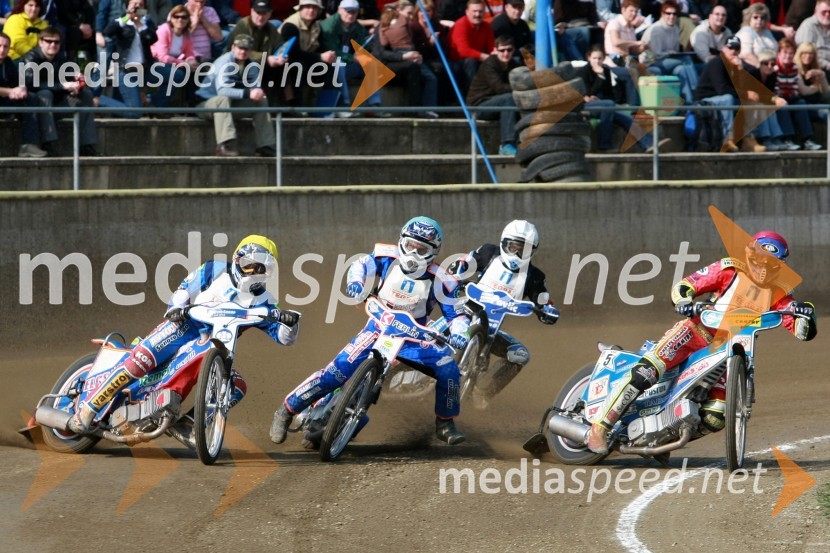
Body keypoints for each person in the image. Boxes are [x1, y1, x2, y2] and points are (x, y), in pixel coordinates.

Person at [586, 230, 818, 455]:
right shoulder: (728, 269)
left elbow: (800, 332)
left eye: (772, 263)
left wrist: (807, 314)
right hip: (696, 333)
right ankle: (600, 426)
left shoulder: (780, 292)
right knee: (647, 371)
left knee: (716, 416)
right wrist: (684, 301)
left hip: (736, 350)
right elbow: (686, 285)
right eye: (762, 259)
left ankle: (666, 435)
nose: (765, 267)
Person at [68, 235, 301, 439]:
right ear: (238, 258)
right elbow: (184, 289)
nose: (253, 273)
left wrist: (291, 323)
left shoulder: (267, 301)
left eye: (261, 269)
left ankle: (190, 425)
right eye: (250, 265)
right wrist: (176, 307)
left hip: (215, 347)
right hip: (183, 327)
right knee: (141, 360)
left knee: (237, 386)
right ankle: (89, 408)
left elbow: (284, 338)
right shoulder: (215, 268)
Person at [270, 216, 471, 446]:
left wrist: (460, 333)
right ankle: (286, 410)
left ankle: (445, 422)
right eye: (410, 246)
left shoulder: (443, 280)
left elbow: (456, 314)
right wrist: (356, 282)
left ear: (433, 252)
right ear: (401, 242)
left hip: (413, 340)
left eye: (421, 249)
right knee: (335, 372)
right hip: (377, 328)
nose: (413, 254)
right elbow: (361, 264)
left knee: (450, 370)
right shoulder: (386, 257)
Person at [449, 220, 560, 407]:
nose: (517, 254)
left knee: (520, 355)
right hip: (463, 313)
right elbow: (465, 262)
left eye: (523, 250)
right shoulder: (488, 252)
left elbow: (542, 299)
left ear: (533, 251)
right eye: (513, 247)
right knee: (430, 331)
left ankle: (483, 393)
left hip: (491, 328)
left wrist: (547, 310)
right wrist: (458, 269)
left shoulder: (534, 276)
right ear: (503, 243)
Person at [693, 34, 783, 153]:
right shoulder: (717, 63)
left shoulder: (736, 65)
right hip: (705, 100)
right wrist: (746, 94)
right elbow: (722, 89)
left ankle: (749, 139)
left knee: (751, 101)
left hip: (722, 97)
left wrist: (740, 71)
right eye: (730, 48)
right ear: (724, 48)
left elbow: (743, 88)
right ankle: (727, 139)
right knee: (729, 98)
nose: (733, 51)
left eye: (736, 49)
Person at [20, 27, 99, 156]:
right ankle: (48, 143)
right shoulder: (30, 58)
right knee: (44, 94)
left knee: (86, 94)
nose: (53, 45)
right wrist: (61, 86)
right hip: (37, 108)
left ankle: (86, 145)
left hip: (57, 105)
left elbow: (69, 79)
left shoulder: (61, 59)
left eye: (56, 42)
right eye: (48, 41)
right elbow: (29, 84)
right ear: (40, 42)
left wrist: (77, 85)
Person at [196, 33, 277, 156]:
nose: (243, 52)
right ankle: (223, 145)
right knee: (222, 99)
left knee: (261, 101)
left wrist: (258, 93)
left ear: (250, 50)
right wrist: (248, 93)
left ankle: (265, 145)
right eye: (240, 48)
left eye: (246, 49)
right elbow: (222, 90)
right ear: (233, 47)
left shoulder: (252, 65)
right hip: (206, 105)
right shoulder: (224, 62)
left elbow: (255, 88)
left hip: (229, 107)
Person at [580, 44, 666, 153]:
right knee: (609, 105)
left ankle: (648, 144)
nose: (597, 62)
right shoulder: (583, 72)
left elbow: (610, 94)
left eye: (600, 58)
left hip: (603, 105)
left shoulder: (606, 71)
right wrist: (600, 78)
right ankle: (604, 146)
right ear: (588, 58)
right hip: (586, 106)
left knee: (626, 118)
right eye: (594, 58)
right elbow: (586, 93)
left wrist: (599, 95)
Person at [319, 0, 385, 115]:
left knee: (371, 63)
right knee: (338, 64)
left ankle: (373, 105)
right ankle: (344, 105)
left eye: (354, 12)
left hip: (348, 64)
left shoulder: (357, 26)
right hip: (327, 67)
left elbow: (362, 47)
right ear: (339, 10)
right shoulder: (329, 26)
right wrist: (352, 58)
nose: (351, 14)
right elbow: (331, 50)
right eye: (348, 11)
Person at [375, 0, 439, 117]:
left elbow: (411, 47)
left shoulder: (408, 28)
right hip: (387, 65)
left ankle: (429, 108)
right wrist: (403, 56)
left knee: (431, 74)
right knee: (413, 67)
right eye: (408, 14)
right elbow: (380, 53)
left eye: (412, 14)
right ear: (399, 12)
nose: (411, 17)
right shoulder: (383, 25)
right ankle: (415, 110)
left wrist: (416, 55)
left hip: (405, 63)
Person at [226, 0, 288, 106]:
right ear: (251, 12)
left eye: (264, 13)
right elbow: (241, 52)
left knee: (285, 67)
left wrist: (282, 56)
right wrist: (267, 58)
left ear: (270, 14)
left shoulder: (271, 28)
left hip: (260, 65)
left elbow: (280, 45)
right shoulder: (243, 25)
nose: (260, 17)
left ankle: (284, 106)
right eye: (258, 13)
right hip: (238, 64)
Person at [466, 34, 519, 156]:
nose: (506, 53)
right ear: (495, 50)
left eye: (509, 50)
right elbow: (499, 87)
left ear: (513, 50)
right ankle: (506, 144)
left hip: (495, 103)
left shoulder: (514, 64)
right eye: (502, 50)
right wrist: (520, 89)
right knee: (509, 99)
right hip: (478, 105)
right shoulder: (490, 64)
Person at [103, 0, 158, 116]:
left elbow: (152, 38)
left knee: (176, 75)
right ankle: (100, 100)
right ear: (127, 5)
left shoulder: (146, 22)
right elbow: (108, 31)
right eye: (134, 4)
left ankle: (156, 107)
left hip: (145, 69)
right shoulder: (121, 21)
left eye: (141, 5)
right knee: (135, 113)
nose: (137, 6)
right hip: (126, 71)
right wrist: (128, 17)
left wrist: (138, 23)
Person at [641, 0, 699, 106]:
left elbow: (674, 50)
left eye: (674, 14)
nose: (671, 16)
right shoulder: (656, 29)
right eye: (668, 13)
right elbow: (655, 54)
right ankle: (697, 90)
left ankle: (689, 103)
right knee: (686, 60)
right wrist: (669, 53)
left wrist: (672, 53)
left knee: (681, 69)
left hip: (667, 60)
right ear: (662, 14)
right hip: (651, 61)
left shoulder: (676, 29)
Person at [767, 40, 822, 149]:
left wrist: (818, 86)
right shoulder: (774, 68)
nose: (788, 56)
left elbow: (797, 89)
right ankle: (788, 139)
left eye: (791, 53)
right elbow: (770, 90)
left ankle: (807, 140)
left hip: (790, 97)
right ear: (779, 53)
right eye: (785, 53)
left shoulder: (794, 68)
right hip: (775, 98)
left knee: (801, 103)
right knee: (783, 104)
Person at [280, 0, 336, 107]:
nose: (311, 10)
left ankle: (325, 109)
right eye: (307, 7)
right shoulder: (290, 26)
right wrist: (320, 57)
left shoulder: (316, 26)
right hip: (285, 64)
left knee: (330, 67)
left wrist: (328, 55)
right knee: (298, 66)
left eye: (314, 8)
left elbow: (319, 47)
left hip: (305, 59)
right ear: (300, 9)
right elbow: (293, 53)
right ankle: (296, 108)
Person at [0, 31, 45, 157]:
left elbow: (19, 81)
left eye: (5, 46)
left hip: (4, 101)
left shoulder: (7, 62)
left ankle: (28, 145)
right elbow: (11, 90)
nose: (2, 50)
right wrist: (10, 91)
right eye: (0, 46)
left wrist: (22, 88)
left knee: (30, 98)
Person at [150, 5, 199, 109]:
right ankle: (157, 104)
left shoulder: (186, 34)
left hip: (172, 64)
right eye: (176, 16)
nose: (180, 19)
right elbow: (162, 57)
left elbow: (190, 53)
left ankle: (191, 105)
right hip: (155, 64)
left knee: (197, 71)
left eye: (184, 17)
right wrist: (183, 63)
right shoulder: (164, 30)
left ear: (188, 20)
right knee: (178, 75)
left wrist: (191, 62)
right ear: (171, 18)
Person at [448, 0, 495, 96]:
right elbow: (463, 51)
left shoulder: (486, 26)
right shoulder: (461, 24)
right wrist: (484, 56)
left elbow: (491, 48)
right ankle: (471, 98)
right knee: (471, 62)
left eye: (480, 11)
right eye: (474, 11)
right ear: (467, 12)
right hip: (457, 61)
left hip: (476, 58)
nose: (477, 14)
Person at [736, 2, 778, 68]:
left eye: (762, 17)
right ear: (749, 18)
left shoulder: (767, 32)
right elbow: (746, 55)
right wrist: (762, 68)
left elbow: (776, 51)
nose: (759, 19)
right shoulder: (746, 32)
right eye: (756, 17)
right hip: (752, 69)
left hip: (770, 68)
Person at [794, 0, 830, 76]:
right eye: (824, 12)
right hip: (816, 69)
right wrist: (827, 64)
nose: (827, 14)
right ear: (816, 10)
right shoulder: (808, 26)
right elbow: (805, 55)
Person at [794, 41, 830, 105]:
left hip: (817, 102)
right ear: (799, 54)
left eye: (811, 53)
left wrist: (821, 74)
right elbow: (803, 91)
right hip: (803, 103)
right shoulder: (795, 68)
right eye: (805, 53)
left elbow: (826, 93)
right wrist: (817, 88)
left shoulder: (816, 68)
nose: (808, 56)